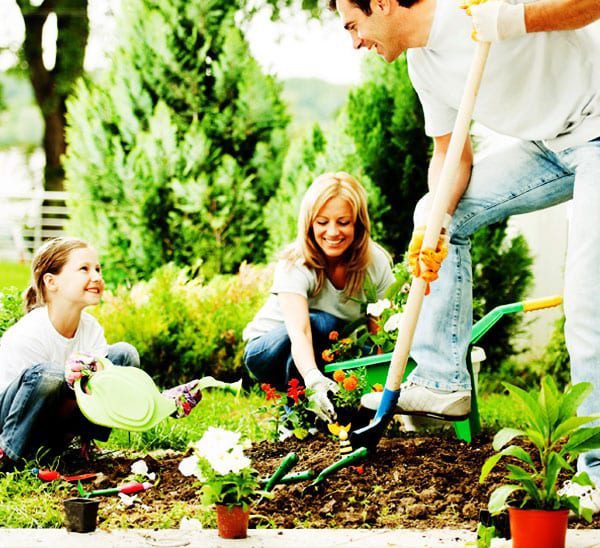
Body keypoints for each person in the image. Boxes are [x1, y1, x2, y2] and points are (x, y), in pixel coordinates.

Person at [330, 0, 600, 512]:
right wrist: (438, 223)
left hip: (598, 129)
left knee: (589, 306)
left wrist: (512, 19)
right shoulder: (421, 63)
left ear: (383, 4)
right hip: (549, 145)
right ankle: (441, 378)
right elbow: (452, 156)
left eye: (354, 25)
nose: (355, 41)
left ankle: (599, 470)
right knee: (434, 213)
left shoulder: (476, 3)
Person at [0, 237, 201, 470]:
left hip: (53, 431)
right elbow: (27, 395)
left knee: (122, 356)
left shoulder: (90, 328)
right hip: (11, 424)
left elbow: (108, 391)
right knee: (48, 375)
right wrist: (67, 380)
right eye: (84, 269)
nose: (96, 277)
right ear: (51, 282)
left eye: (98, 269)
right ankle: (7, 457)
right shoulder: (31, 332)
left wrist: (165, 403)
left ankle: (82, 445)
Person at [243, 172, 395, 422]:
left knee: (359, 347)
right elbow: (300, 331)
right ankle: (296, 416)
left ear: (358, 223)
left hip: (321, 349)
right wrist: (313, 378)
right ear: (309, 223)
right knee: (323, 323)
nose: (333, 232)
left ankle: (317, 420)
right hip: (267, 350)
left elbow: (380, 335)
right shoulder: (296, 263)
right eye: (322, 222)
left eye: (343, 222)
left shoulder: (374, 262)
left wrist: (382, 395)